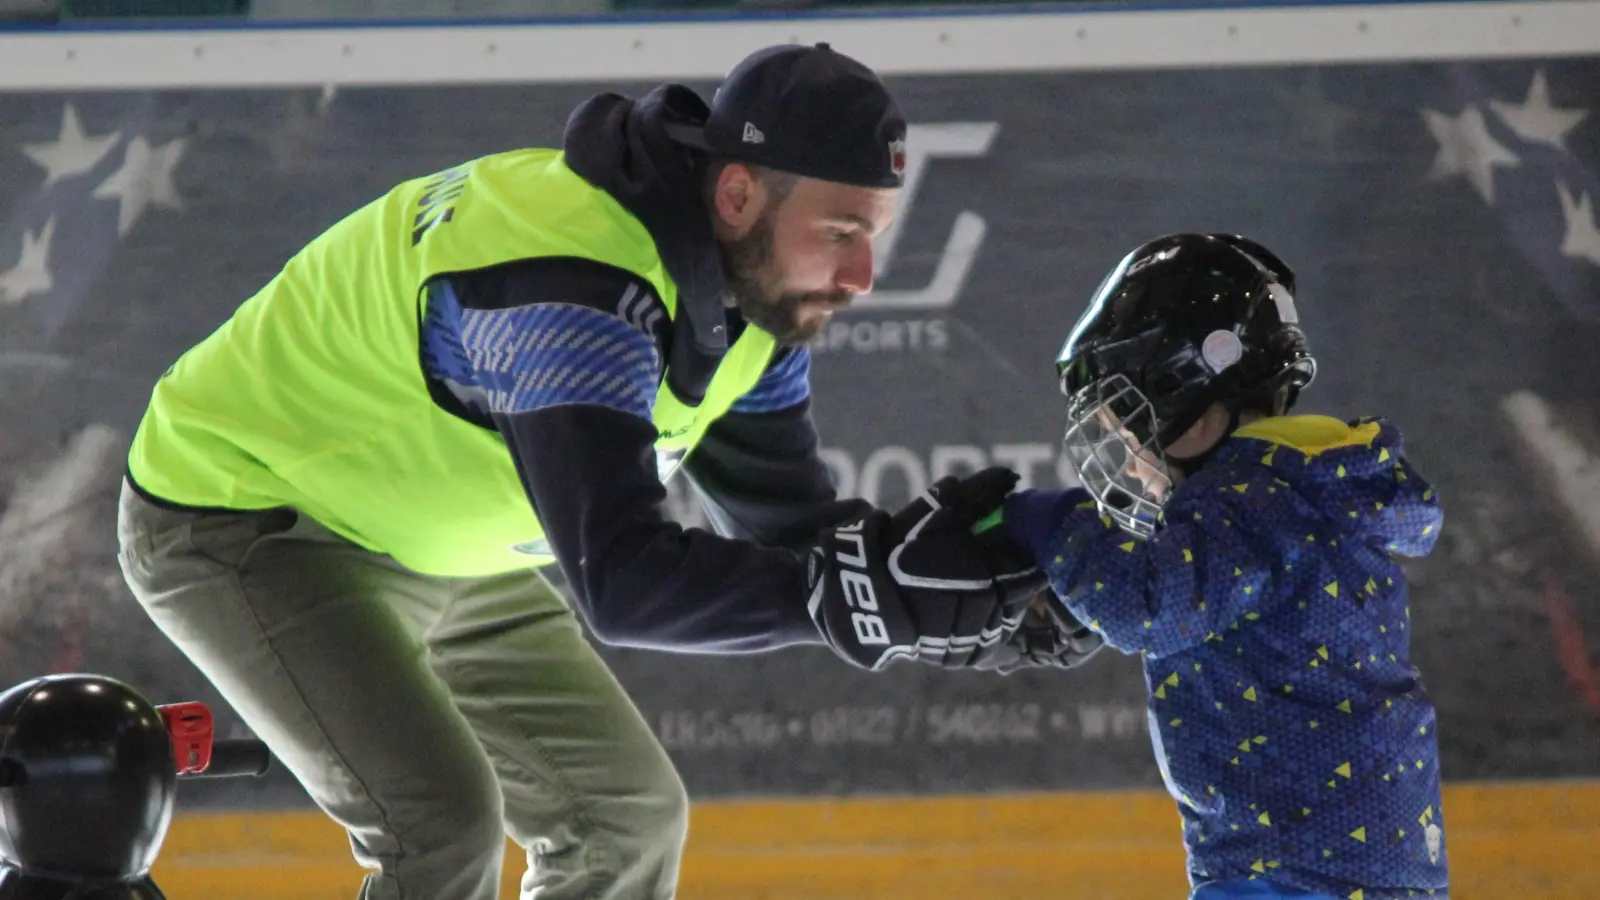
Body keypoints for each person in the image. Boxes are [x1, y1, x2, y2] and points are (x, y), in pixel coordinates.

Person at [114, 43, 1054, 900]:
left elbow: (796, 539)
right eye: (841, 231)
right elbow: (628, 584)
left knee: (624, 822)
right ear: (738, 195)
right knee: (436, 831)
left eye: (874, 233)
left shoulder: (754, 300)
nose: (862, 276)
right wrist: (863, 597)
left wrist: (997, 611)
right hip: (251, 518)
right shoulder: (568, 289)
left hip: (433, 538)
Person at [1000, 234, 1449, 900]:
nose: (1133, 456)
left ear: (1190, 389)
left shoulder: (1246, 497)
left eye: (1133, 422)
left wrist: (1043, 520)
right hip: (1365, 871)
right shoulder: (1303, 492)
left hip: (1289, 873)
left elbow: (1147, 604)